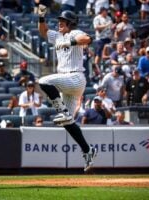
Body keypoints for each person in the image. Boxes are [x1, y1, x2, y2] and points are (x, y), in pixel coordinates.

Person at [37, 6, 97, 172]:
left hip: (75, 77)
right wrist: (41, 17)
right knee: (67, 122)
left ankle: (62, 111)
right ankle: (88, 150)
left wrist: (71, 42)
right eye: (59, 21)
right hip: (67, 83)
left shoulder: (74, 33)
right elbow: (43, 32)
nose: (59, 24)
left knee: (43, 81)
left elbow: (87, 39)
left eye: (62, 21)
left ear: (70, 23)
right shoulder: (57, 36)